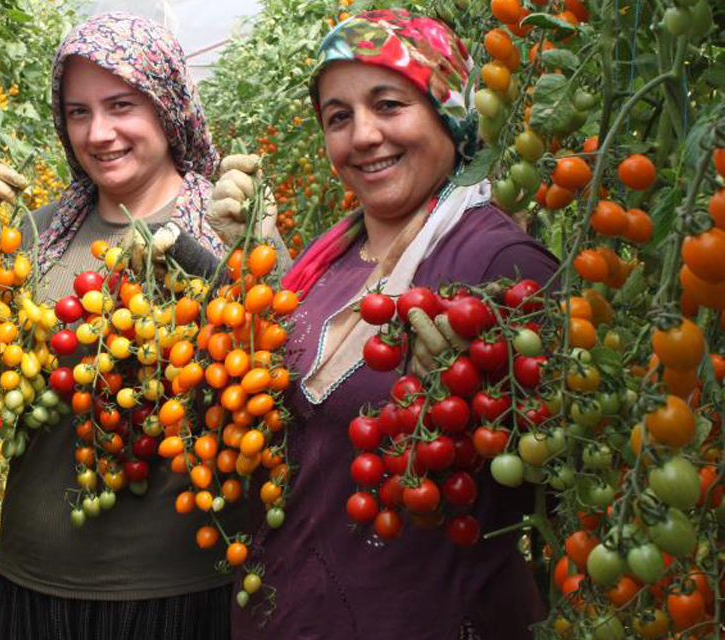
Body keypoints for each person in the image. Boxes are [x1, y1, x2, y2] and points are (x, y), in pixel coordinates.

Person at [0, 13, 283, 640]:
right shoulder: (37, 236)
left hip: (182, 595)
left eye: (121, 105)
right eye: (77, 112)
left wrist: (221, 275)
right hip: (31, 587)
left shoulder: (233, 229)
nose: (99, 133)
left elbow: (274, 390)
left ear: (168, 107)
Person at [233, 10, 557, 640]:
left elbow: (558, 469)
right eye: (338, 117)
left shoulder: (494, 262)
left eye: (388, 104)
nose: (362, 136)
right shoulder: (323, 262)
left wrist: (485, 407)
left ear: (448, 108)